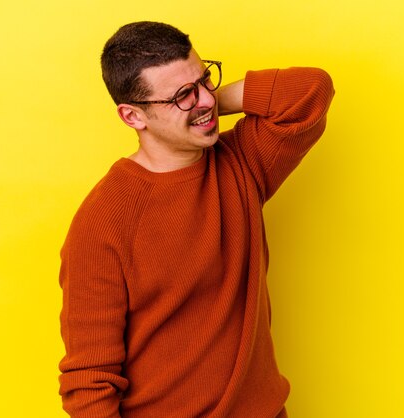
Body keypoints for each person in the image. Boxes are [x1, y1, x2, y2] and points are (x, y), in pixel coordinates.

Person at [58, 21, 335, 418]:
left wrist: (198, 106)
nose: (204, 100)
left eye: (204, 80)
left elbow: (311, 91)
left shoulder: (242, 162)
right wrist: (195, 108)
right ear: (133, 116)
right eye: (182, 96)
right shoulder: (103, 222)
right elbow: (88, 382)